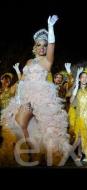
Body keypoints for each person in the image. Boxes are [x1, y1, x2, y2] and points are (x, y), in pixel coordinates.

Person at [1, 15, 71, 165]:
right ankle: (31, 155)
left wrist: (51, 27)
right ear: (35, 46)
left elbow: (52, 44)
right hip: (25, 96)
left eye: (44, 45)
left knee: (31, 126)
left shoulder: (47, 61)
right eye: (39, 45)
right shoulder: (29, 61)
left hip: (40, 97)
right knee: (20, 124)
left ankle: (29, 156)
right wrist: (19, 99)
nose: (42, 47)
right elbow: (22, 82)